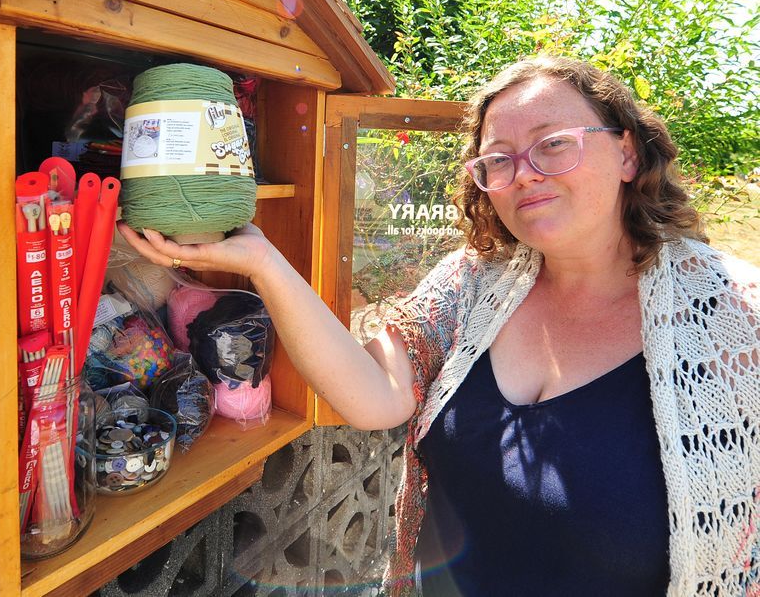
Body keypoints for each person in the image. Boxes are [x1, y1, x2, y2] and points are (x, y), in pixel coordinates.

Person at [118, 55, 760, 596]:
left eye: (553, 144)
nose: (524, 174)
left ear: (626, 152)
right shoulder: (475, 283)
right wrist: (261, 259)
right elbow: (373, 395)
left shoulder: (738, 321)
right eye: (498, 159)